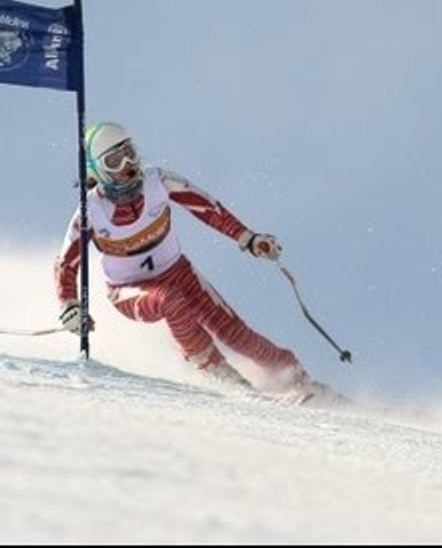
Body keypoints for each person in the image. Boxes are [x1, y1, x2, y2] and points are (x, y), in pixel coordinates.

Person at [54, 121, 330, 405]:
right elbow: (66, 263)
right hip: (128, 289)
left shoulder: (157, 182)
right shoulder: (91, 211)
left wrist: (248, 238)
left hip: (179, 272)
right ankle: (217, 371)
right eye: (114, 160)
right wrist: (69, 305)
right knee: (168, 300)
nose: (127, 165)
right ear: (96, 171)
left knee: (237, 335)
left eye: (130, 153)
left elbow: (209, 209)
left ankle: (301, 381)